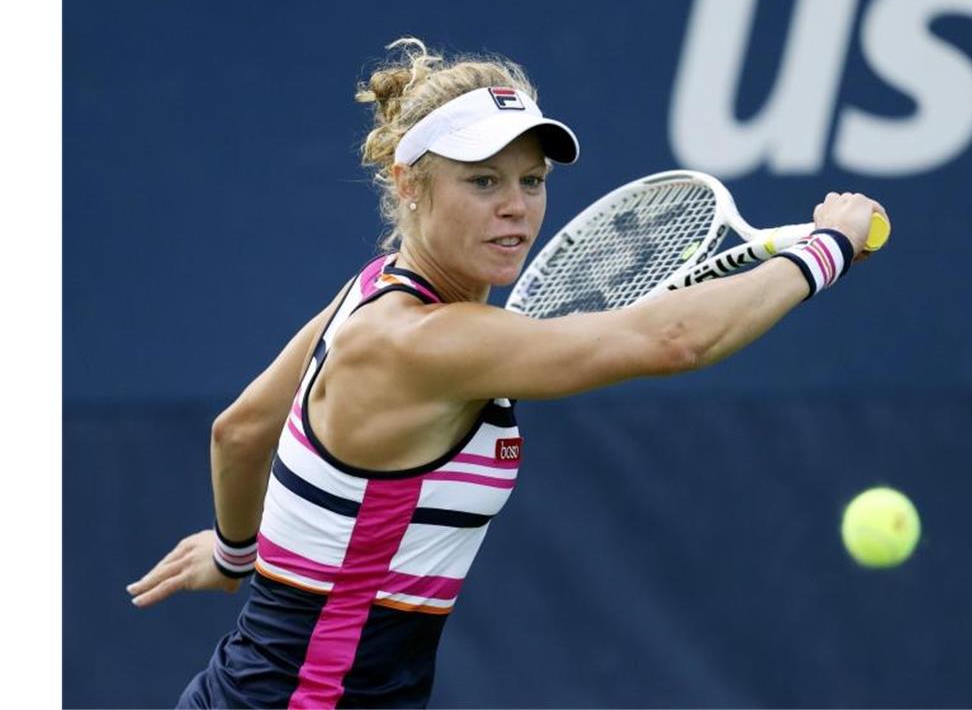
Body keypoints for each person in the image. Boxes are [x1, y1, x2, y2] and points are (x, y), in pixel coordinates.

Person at [127, 37, 888, 708]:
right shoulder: (419, 342)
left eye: (531, 181)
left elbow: (242, 431)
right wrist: (827, 251)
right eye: (483, 182)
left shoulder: (372, 294)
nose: (517, 209)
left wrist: (234, 553)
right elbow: (674, 341)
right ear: (408, 184)